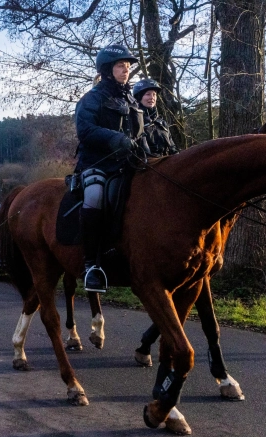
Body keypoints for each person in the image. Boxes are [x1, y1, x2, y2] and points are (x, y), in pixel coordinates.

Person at [74, 43, 144, 293]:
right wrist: (115, 139)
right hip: (98, 163)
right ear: (107, 70)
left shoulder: (132, 100)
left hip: (128, 163)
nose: (126, 70)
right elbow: (85, 130)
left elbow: (140, 134)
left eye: (127, 66)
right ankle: (92, 265)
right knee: (94, 197)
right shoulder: (92, 98)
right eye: (120, 66)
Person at [132, 78, 178, 156]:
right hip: (145, 162)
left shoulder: (162, 123)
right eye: (148, 94)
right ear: (139, 97)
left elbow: (172, 147)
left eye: (154, 94)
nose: (152, 97)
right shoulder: (133, 120)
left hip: (167, 161)